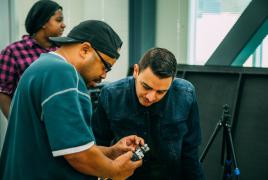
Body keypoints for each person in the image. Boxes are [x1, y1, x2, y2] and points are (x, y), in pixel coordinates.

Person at [0, 20, 143, 179]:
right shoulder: (63, 73)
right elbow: (77, 155)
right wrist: (114, 171)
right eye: (105, 66)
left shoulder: (42, 67)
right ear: (85, 49)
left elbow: (59, 148)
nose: (104, 75)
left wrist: (110, 152)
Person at [92, 47, 205, 179]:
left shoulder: (185, 95)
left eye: (161, 92)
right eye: (146, 87)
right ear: (136, 71)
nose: (151, 97)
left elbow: (190, 152)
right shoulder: (111, 95)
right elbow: (97, 147)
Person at [0, 0, 66, 118]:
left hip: (60, 119)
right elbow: (3, 92)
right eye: (58, 20)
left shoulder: (63, 51)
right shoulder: (13, 51)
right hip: (30, 122)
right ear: (43, 22)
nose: (63, 25)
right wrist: (16, 123)